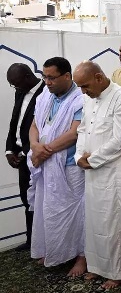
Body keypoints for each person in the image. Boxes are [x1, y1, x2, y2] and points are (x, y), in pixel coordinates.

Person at [73, 62, 121, 289]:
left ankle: (118, 272)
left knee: (114, 222)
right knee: (96, 221)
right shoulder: (88, 98)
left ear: (99, 77)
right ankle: (98, 267)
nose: (82, 91)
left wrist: (93, 159)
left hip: (114, 172)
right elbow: (82, 130)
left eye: (85, 85)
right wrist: (79, 155)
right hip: (92, 172)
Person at [27, 57, 86, 277]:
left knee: (77, 213)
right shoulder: (44, 95)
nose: (47, 82)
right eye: (44, 77)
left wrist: (44, 150)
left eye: (51, 77)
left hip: (70, 166)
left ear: (67, 76)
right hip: (45, 162)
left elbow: (74, 133)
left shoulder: (80, 98)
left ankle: (82, 256)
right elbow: (34, 125)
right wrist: (35, 146)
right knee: (49, 212)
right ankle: (55, 250)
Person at [5, 63, 45, 251]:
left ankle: (44, 242)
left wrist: (26, 152)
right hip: (20, 156)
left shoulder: (47, 91)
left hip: (37, 155)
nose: (15, 87)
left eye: (16, 83)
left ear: (29, 77)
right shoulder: (20, 91)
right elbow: (15, 123)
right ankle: (31, 241)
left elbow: (43, 129)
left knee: (41, 200)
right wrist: (9, 150)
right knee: (26, 200)